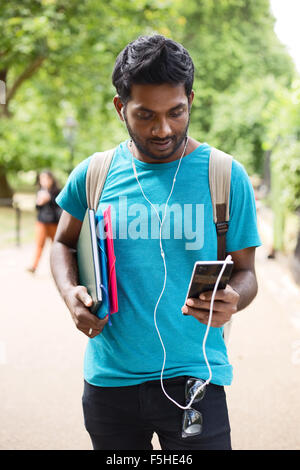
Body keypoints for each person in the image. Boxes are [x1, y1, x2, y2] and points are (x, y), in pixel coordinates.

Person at [50, 35, 261, 450]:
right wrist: (69, 293)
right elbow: (62, 243)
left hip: (195, 378)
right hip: (110, 382)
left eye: (176, 112)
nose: (163, 129)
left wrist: (233, 297)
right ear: (120, 108)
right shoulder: (94, 175)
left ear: (190, 101)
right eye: (146, 115)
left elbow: (247, 271)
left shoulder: (225, 176)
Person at [27, 170, 61, 273]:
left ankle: (58, 267)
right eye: (42, 179)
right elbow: (37, 207)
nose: (44, 181)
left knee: (56, 246)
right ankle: (34, 266)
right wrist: (39, 202)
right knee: (39, 245)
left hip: (54, 222)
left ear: (51, 179)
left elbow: (60, 206)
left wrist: (49, 199)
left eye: (46, 178)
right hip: (41, 222)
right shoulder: (40, 191)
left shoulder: (57, 191)